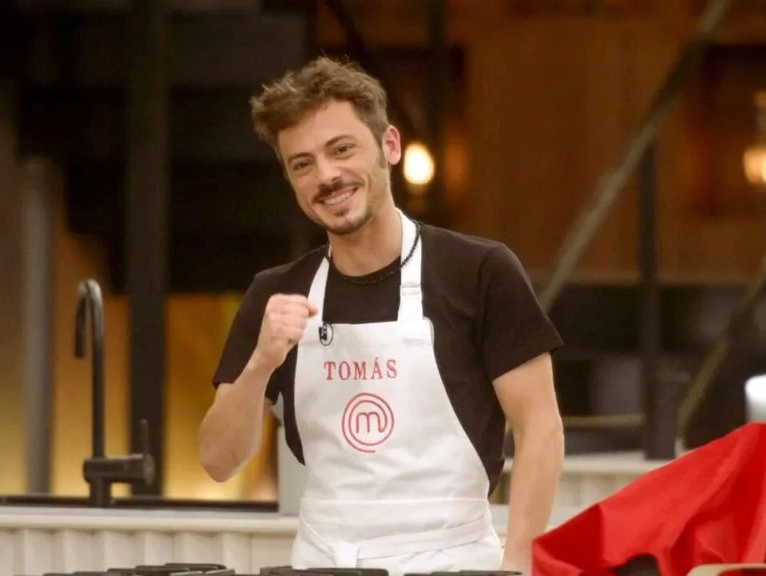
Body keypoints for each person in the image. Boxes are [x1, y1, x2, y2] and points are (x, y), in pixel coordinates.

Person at [198, 55, 565, 575]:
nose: (326, 176)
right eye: (302, 164)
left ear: (390, 145)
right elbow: (217, 461)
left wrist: (517, 565)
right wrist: (260, 363)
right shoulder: (273, 295)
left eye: (341, 149)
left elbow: (540, 428)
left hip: (451, 562)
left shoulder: (480, 272)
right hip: (322, 564)